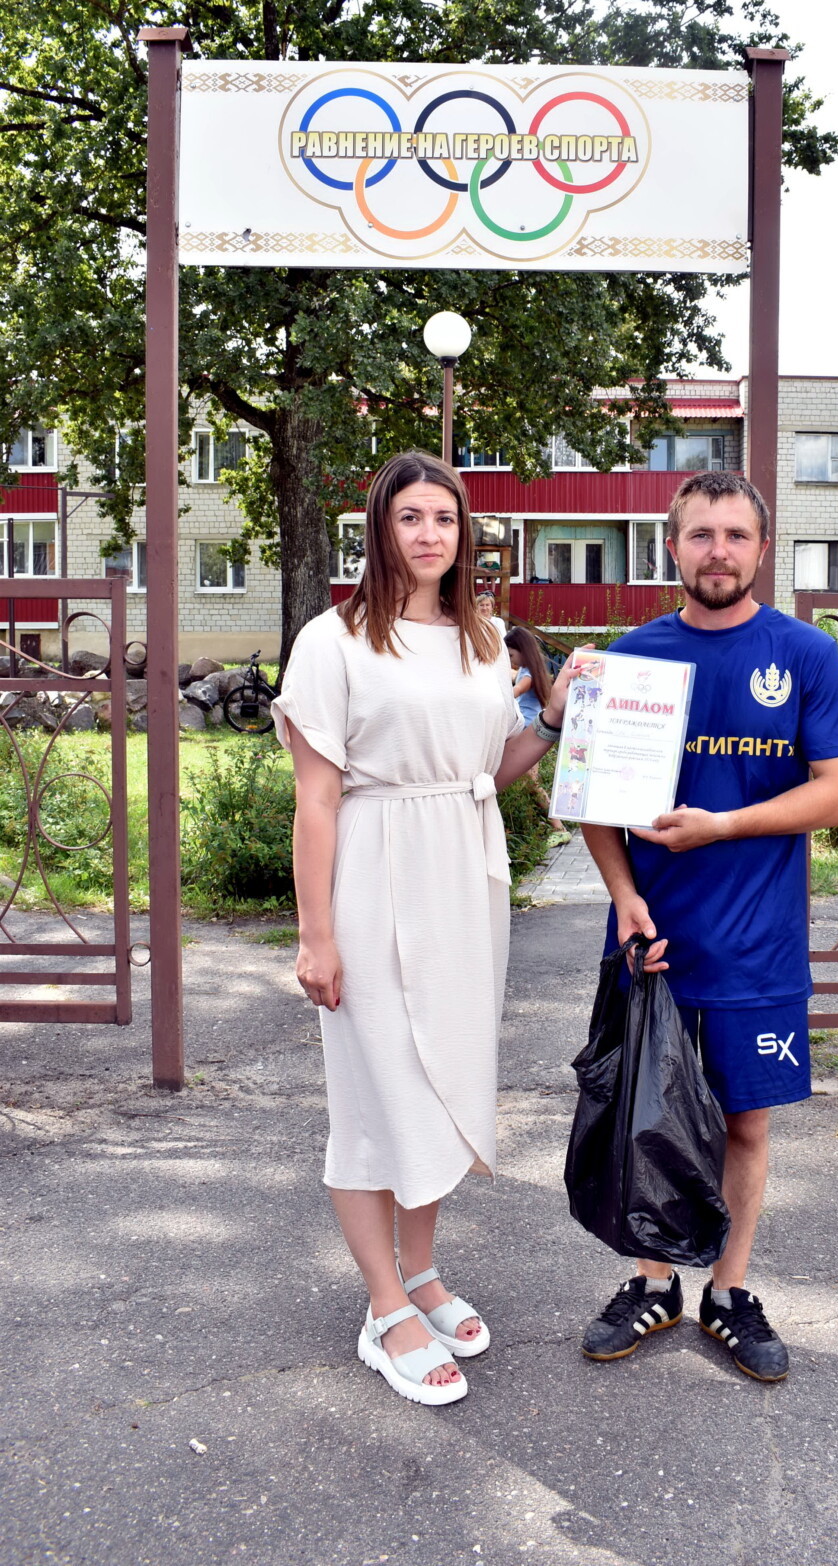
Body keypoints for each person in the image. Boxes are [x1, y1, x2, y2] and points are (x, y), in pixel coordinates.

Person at [273, 451, 575, 1408]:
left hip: (461, 871)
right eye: (411, 517)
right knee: (375, 1092)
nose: (431, 534)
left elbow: (491, 769)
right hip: (371, 864)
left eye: (445, 518)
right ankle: (383, 1307)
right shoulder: (334, 639)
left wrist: (559, 722)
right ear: (382, 527)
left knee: (442, 1080)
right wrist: (316, 935)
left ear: (464, 532)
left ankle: (422, 1268)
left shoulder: (482, 641)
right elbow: (315, 802)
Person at [579, 470, 838, 1383]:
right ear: (673, 546)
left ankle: (728, 1293)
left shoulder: (805, 655)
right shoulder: (634, 656)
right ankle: (654, 1280)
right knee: (648, 1121)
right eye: (700, 535)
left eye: (736, 536)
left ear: (762, 548)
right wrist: (624, 895)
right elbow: (593, 804)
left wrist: (724, 825)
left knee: (744, 1124)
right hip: (653, 938)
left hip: (757, 945)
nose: (718, 553)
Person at [504, 625, 569, 837]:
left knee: (532, 783)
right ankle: (542, 824)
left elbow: (518, 689)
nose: (511, 659)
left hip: (527, 731)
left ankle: (558, 828)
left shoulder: (529, 674)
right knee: (528, 783)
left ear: (522, 650)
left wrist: (499, 698)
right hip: (530, 729)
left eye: (512, 654)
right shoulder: (529, 669)